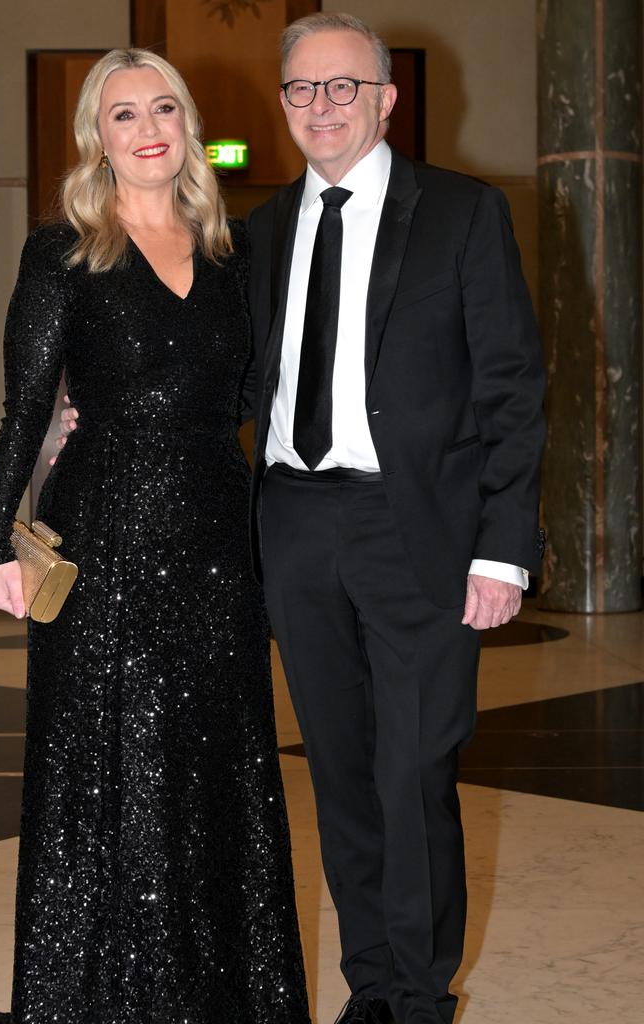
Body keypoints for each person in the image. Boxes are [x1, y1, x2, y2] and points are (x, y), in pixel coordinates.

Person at [0, 48, 310, 1024]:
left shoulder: (234, 250)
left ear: (189, 125)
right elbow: (24, 403)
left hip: (215, 534)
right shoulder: (64, 251)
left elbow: (256, 395)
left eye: (163, 107)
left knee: (217, 768)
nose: (148, 127)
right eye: (123, 114)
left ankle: (220, 997)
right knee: (105, 771)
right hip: (103, 533)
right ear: (98, 137)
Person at [244, 12, 545, 1024]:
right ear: (282, 102)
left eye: (343, 87)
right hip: (292, 523)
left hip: (418, 527)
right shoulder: (259, 233)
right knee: (338, 770)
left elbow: (513, 387)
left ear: (385, 99)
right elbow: (222, 382)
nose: (321, 106)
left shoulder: (462, 213)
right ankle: (373, 983)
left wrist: (504, 548)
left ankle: (417, 998)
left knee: (413, 768)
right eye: (302, 88)